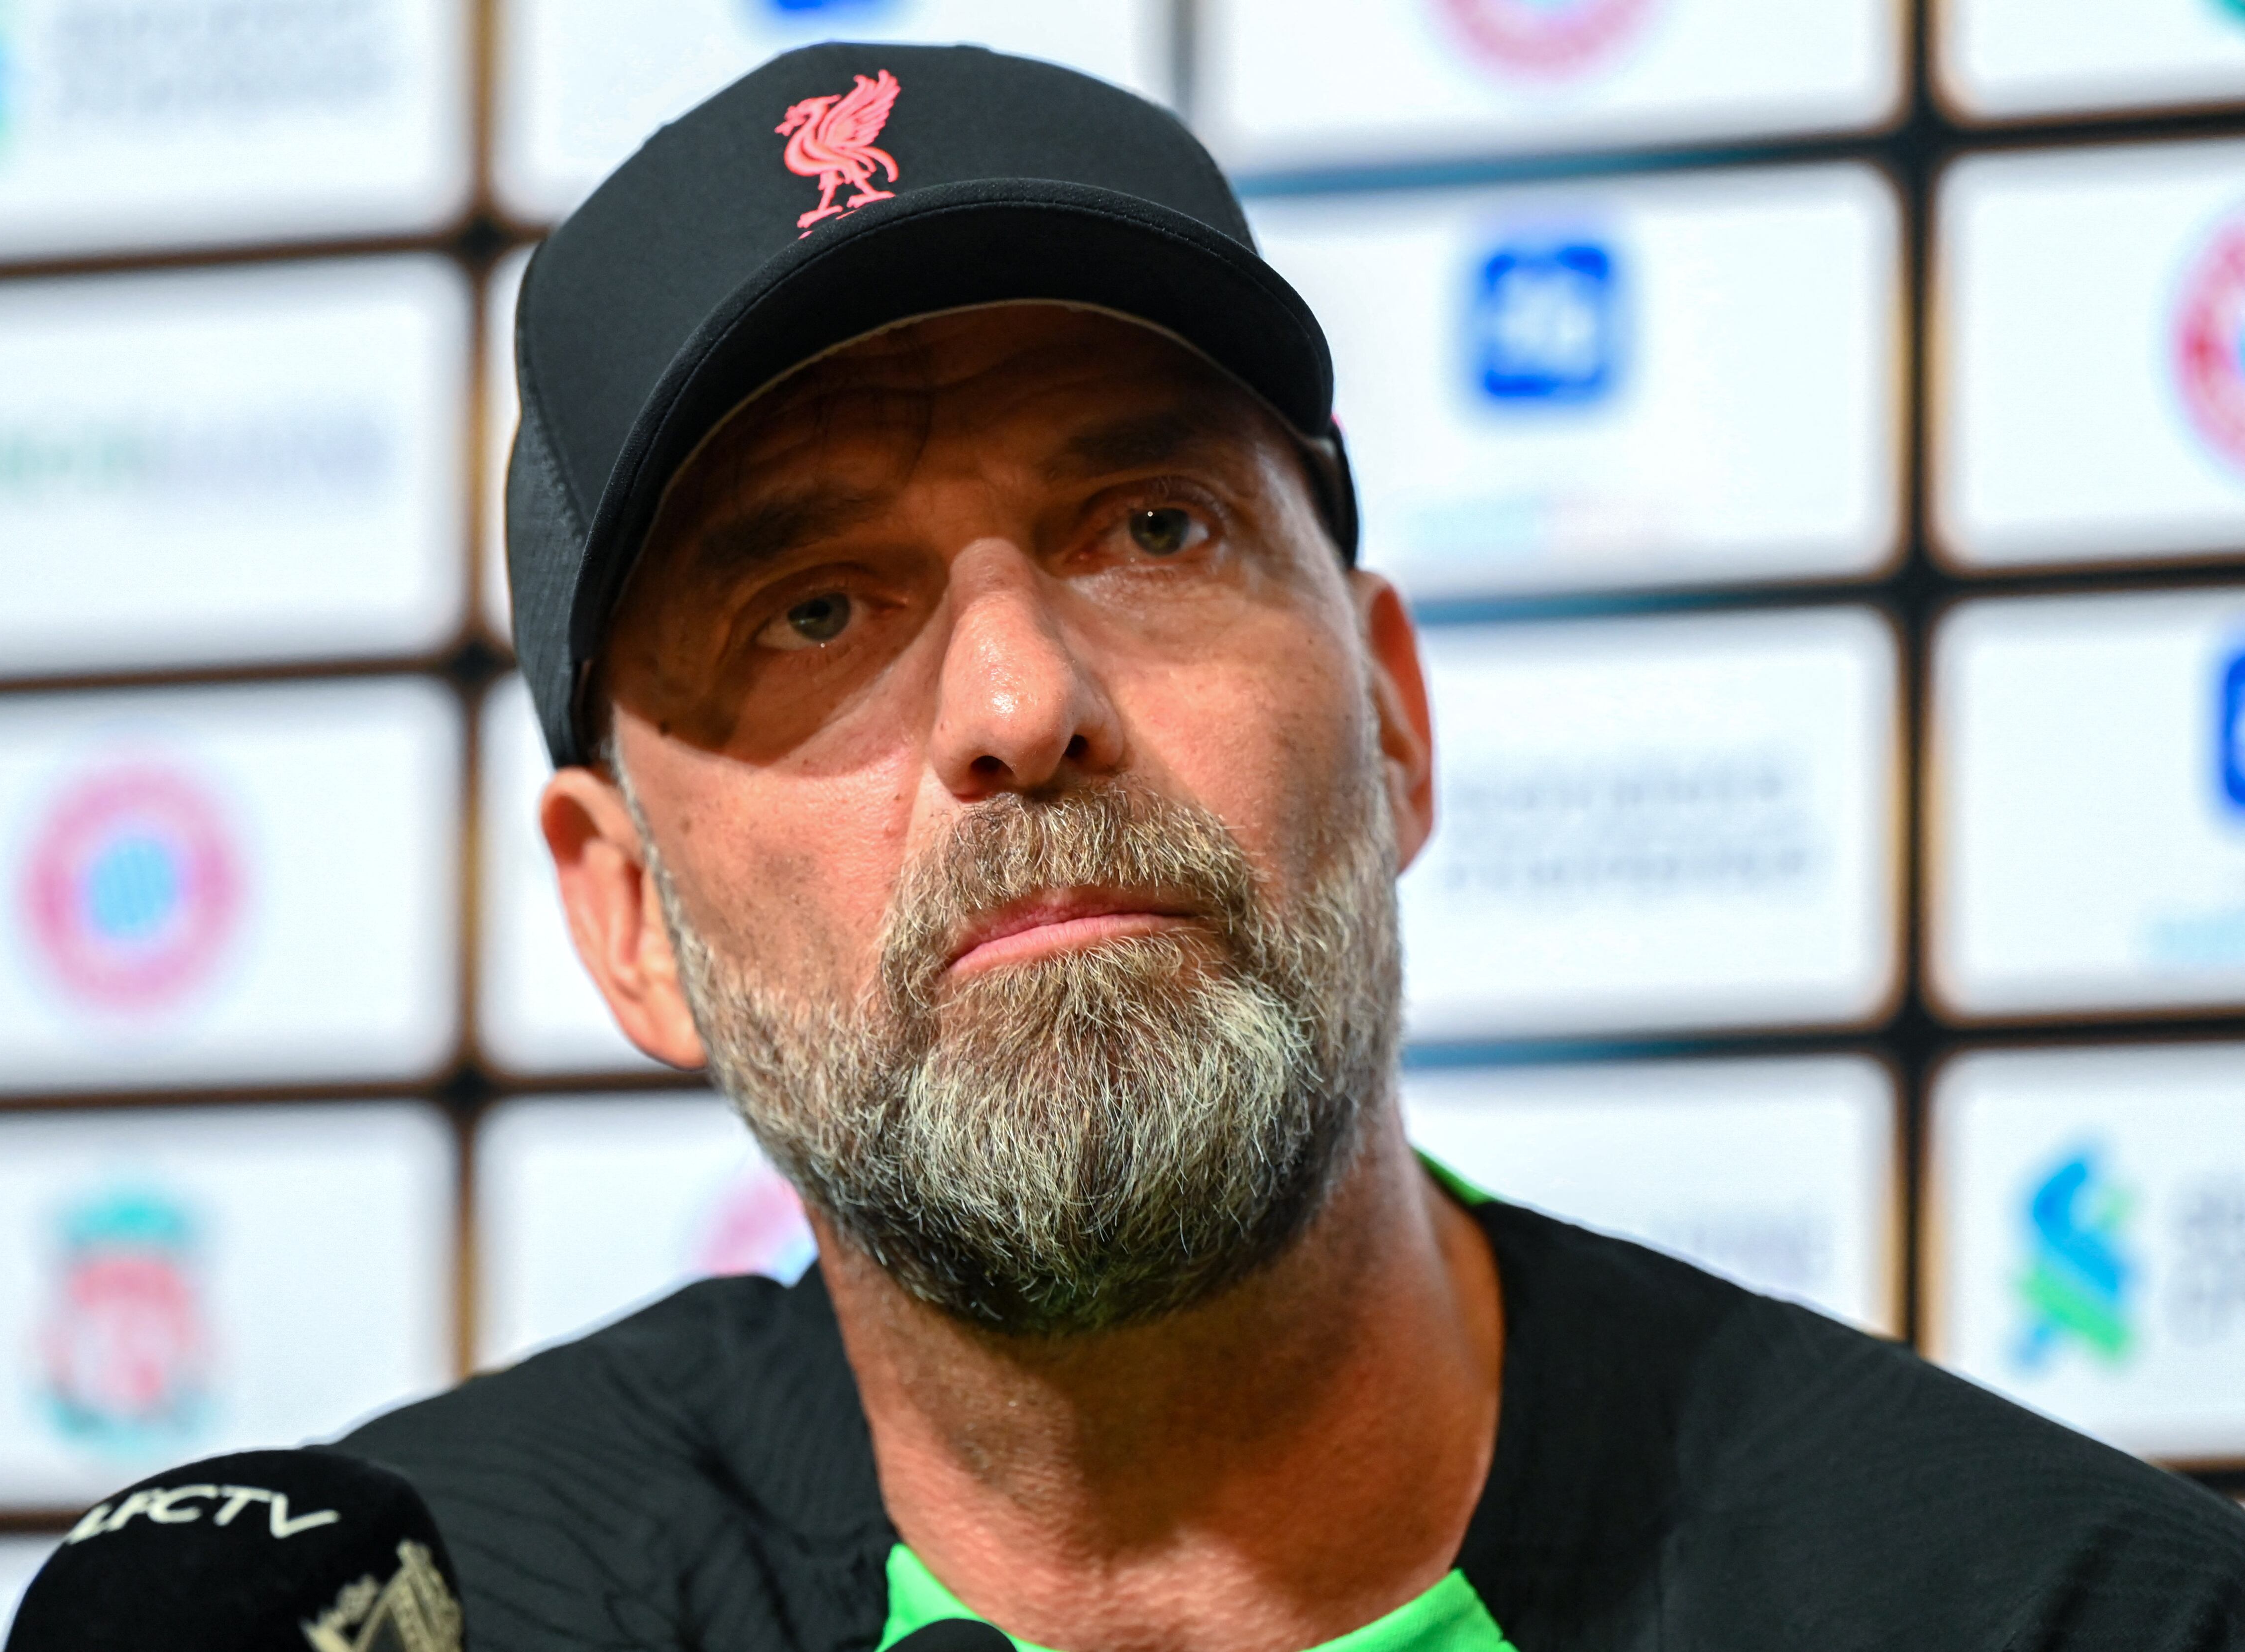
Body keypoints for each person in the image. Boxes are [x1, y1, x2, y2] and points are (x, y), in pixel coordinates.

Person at [342, 42, 2245, 1652]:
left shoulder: (2064, 1612)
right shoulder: (422, 1613)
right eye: (815, 612)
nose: (1019, 701)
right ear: (628, 914)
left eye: (1152, 528)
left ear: (1394, 718)